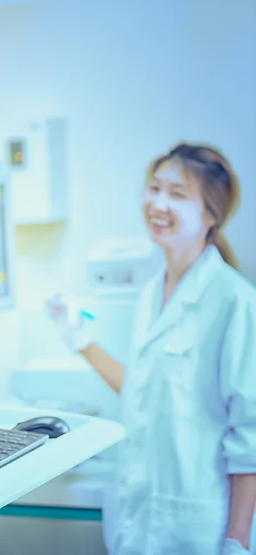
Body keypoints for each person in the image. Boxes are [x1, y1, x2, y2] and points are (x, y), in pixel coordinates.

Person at [46, 143, 256, 555]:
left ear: (211, 214)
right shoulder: (150, 292)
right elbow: (142, 389)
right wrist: (78, 339)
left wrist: (237, 539)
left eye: (177, 194)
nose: (158, 203)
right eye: (154, 188)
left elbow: (250, 439)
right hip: (138, 517)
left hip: (198, 526)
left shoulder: (234, 301)